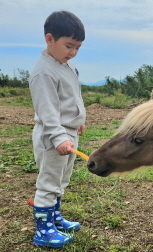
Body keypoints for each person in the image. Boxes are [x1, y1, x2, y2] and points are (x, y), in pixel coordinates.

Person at [29, 10, 86, 248]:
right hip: (54, 137)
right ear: (49, 39)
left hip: (67, 134)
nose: (73, 52)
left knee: (61, 180)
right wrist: (59, 136)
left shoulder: (66, 65)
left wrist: (78, 119)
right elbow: (48, 109)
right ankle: (43, 231)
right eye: (69, 45)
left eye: (78, 47)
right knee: (49, 183)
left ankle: (54, 219)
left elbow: (71, 96)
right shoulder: (44, 71)